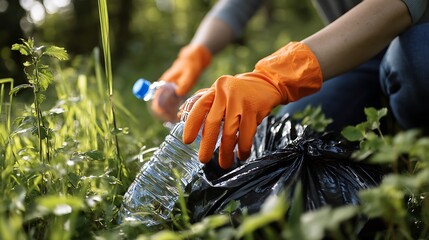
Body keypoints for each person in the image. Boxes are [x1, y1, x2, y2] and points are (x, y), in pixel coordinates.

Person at [151, 0, 429, 169]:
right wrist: (194, 56)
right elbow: (236, 5)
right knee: (291, 138)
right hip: (351, 57)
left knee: (415, 57)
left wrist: (275, 76)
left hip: (416, 40)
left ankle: (414, 149)